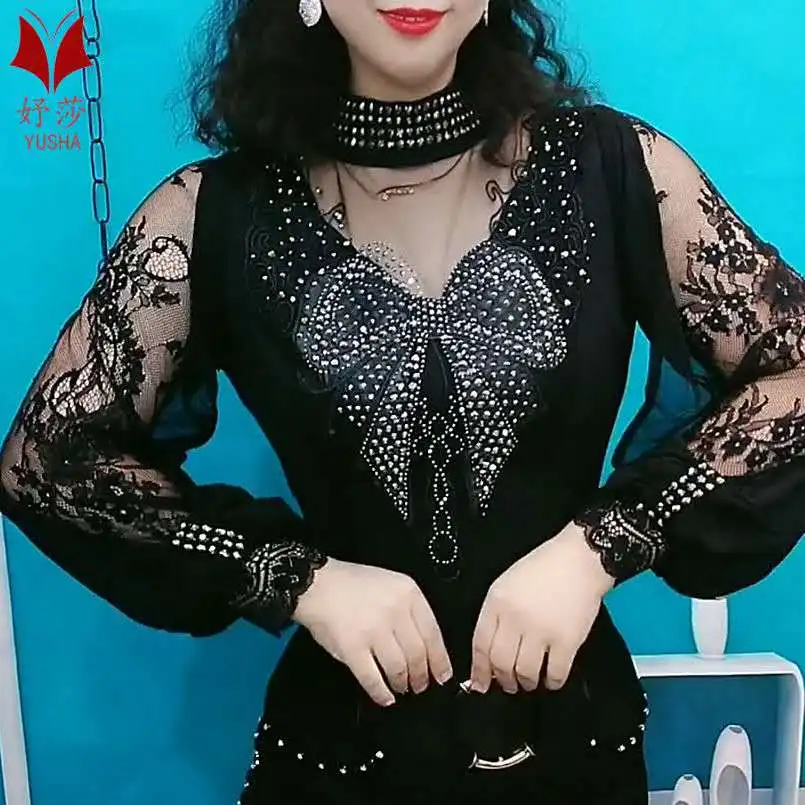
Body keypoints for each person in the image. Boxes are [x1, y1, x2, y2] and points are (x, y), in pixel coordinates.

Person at [2, 0, 804, 802]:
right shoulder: (218, 211)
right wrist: (298, 579)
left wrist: (597, 545)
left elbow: (793, 375)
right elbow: (47, 461)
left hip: (573, 742)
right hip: (340, 759)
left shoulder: (609, 166)